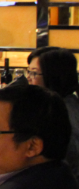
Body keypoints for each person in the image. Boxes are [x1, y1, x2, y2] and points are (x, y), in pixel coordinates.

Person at [27, 47, 79, 180]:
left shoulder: (64, 111)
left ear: (54, 76)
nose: (28, 78)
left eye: (34, 73)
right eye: (28, 72)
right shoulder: (52, 104)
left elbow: (72, 161)